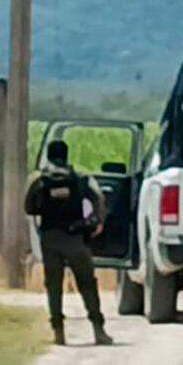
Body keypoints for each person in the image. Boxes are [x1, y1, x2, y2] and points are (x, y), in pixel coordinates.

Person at [24, 140, 114, 346]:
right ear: (66, 155)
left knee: (54, 286)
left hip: (50, 238)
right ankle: (99, 330)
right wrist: (95, 222)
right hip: (75, 238)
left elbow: (29, 207)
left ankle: (58, 332)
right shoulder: (80, 178)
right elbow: (98, 198)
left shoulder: (40, 180)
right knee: (87, 284)